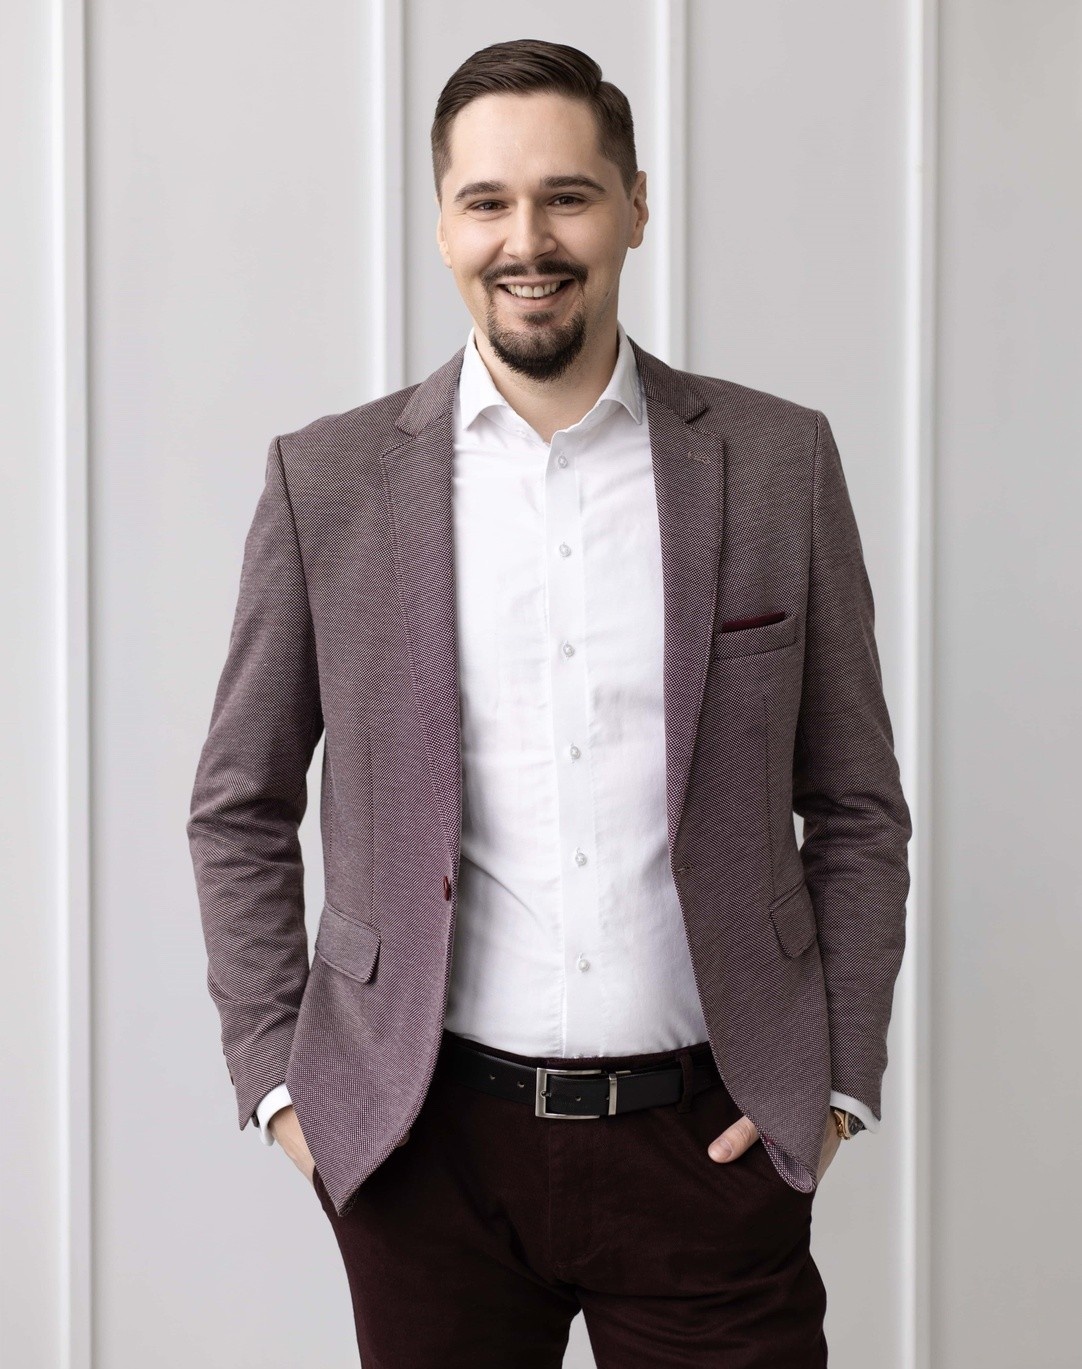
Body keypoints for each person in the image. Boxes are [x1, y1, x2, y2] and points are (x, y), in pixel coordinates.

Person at [187, 37, 912, 1368]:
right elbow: (238, 803)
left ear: (635, 206)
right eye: (488, 202)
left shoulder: (776, 463)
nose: (527, 240)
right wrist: (284, 1084)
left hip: (711, 1146)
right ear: (443, 224)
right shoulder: (329, 483)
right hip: (426, 1159)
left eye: (567, 196)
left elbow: (857, 805)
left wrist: (835, 1081)